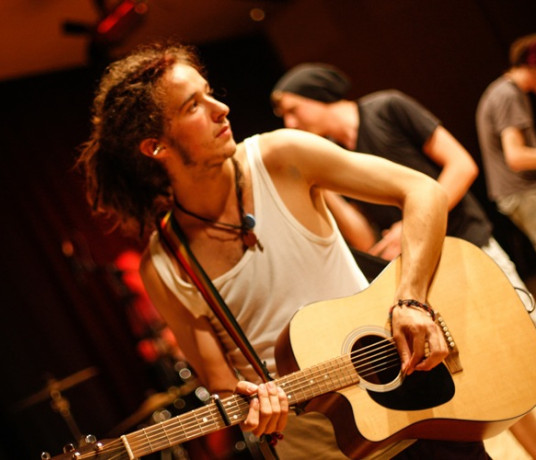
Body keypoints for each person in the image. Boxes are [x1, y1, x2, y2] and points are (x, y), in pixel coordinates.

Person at [76, 42, 492, 459]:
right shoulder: (165, 265)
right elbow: (223, 387)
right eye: (193, 106)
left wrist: (411, 300)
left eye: (209, 93)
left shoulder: (280, 157)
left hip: (419, 406)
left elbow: (422, 190)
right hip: (324, 452)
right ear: (156, 147)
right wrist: (253, 406)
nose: (221, 108)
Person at [271, 62, 536, 457]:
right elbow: (367, 241)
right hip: (423, 279)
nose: (291, 124)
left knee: (526, 352)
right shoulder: (334, 160)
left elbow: (462, 164)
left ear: (319, 94)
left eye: (294, 110)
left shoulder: (387, 107)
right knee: (495, 384)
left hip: (468, 252)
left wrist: (414, 223)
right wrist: (322, 192)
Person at [476, 33, 536, 255]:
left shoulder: (506, 91)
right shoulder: (508, 95)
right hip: (522, 191)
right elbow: (516, 157)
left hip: (517, 191)